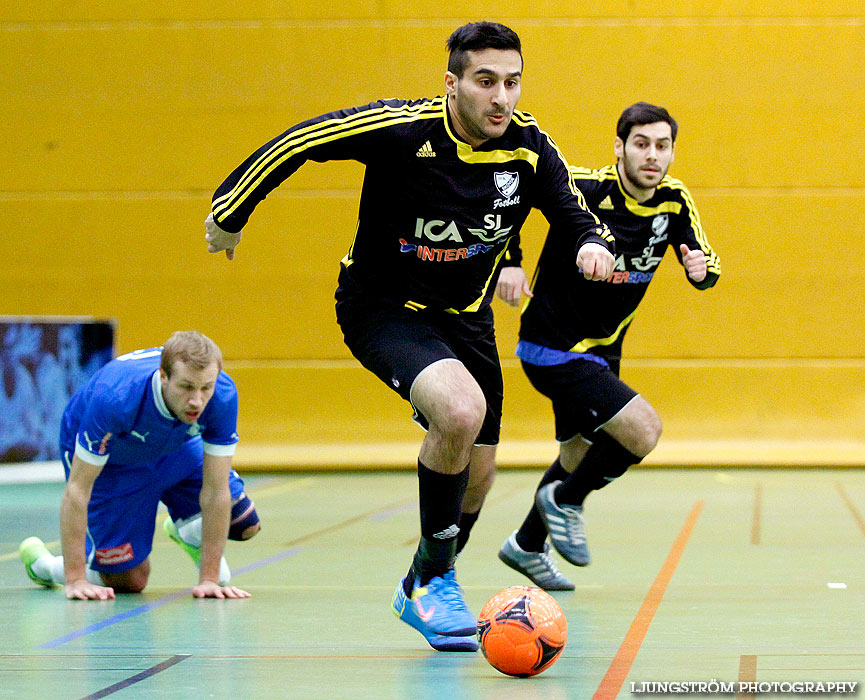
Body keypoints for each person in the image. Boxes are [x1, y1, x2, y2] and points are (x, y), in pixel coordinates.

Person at [203, 22, 615, 650]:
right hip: (382, 308)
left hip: (467, 319)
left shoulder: (530, 148)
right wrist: (231, 211)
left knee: (479, 474)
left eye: (511, 82)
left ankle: (423, 578)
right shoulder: (400, 131)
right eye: (485, 82)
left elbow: (573, 212)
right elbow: (298, 142)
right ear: (451, 85)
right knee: (459, 410)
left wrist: (592, 244)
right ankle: (436, 585)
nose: (501, 97)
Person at [494, 102, 721, 590]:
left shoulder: (674, 201)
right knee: (641, 431)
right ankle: (566, 502)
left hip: (604, 350)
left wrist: (704, 271)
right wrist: (509, 261)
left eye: (662, 146)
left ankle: (527, 545)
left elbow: (703, 253)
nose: (652, 156)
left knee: (577, 456)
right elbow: (507, 197)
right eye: (641, 144)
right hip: (552, 346)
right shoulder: (585, 189)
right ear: (619, 147)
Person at [18, 330, 261, 600]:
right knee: (132, 580)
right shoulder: (115, 400)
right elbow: (77, 490)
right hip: (113, 462)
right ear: (163, 376)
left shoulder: (222, 396)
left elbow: (216, 490)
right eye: (186, 387)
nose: (197, 400)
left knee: (242, 521)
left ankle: (188, 531)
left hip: (174, 445)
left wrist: (210, 580)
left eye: (206, 387)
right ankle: (47, 568)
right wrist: (75, 580)